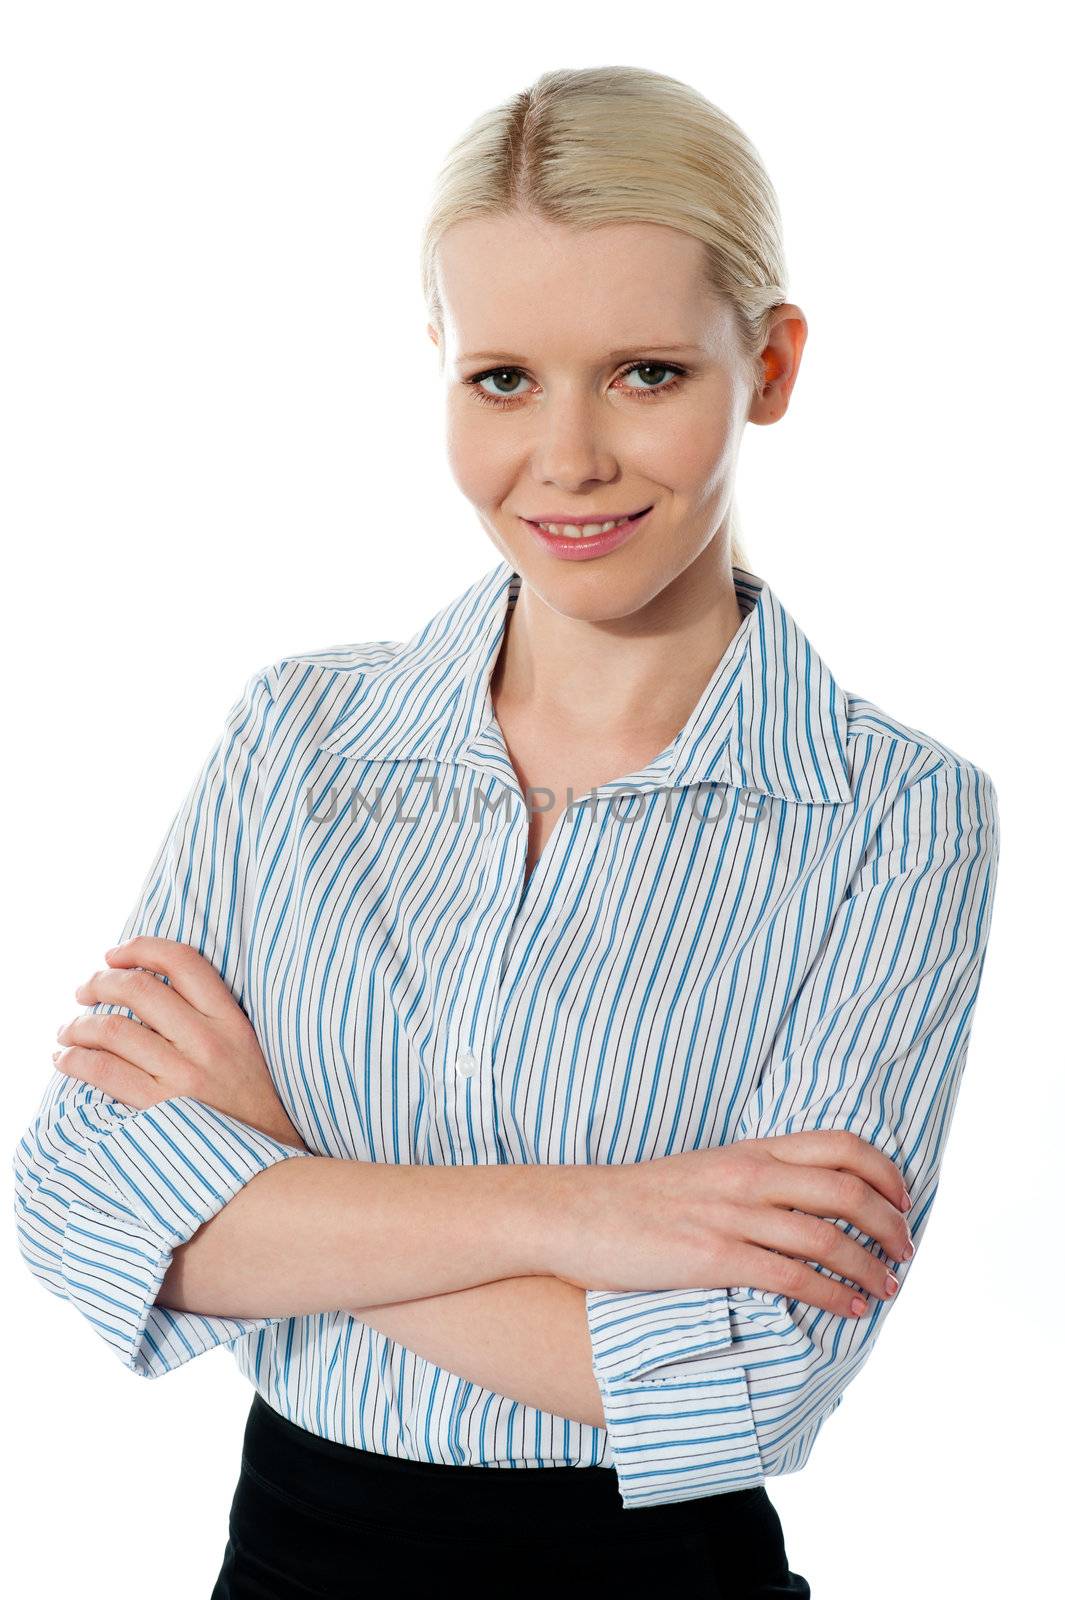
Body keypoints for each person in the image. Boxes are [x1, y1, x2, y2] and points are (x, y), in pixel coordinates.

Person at [13, 66, 1000, 1597]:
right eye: (502, 379)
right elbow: (89, 1209)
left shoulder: (894, 819)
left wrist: (275, 1178)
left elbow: (749, 1380)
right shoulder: (298, 739)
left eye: (648, 373)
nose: (570, 456)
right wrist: (592, 1219)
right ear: (441, 371)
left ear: (774, 363)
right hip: (282, 1567)